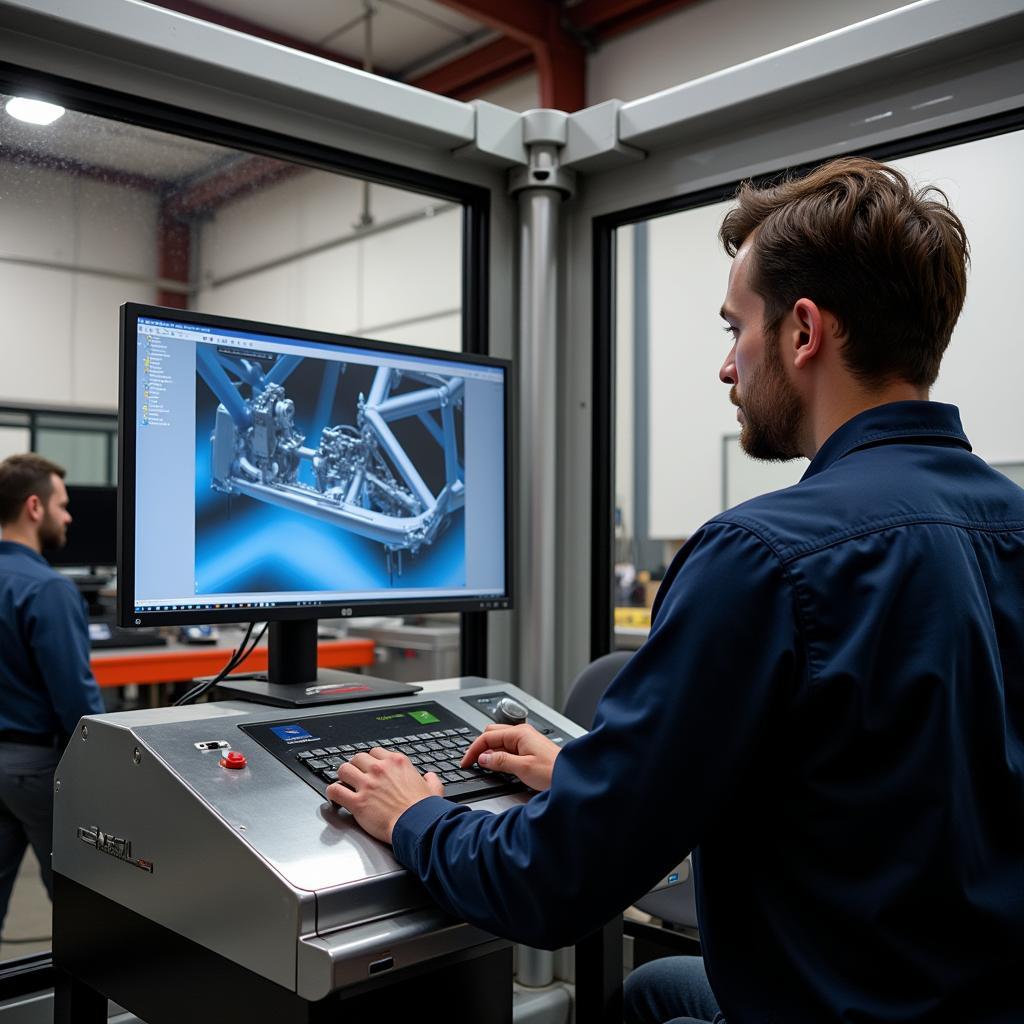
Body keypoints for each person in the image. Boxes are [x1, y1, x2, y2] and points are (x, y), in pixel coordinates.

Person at [324, 157, 1024, 1022]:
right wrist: (593, 776)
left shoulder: (762, 559)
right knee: (658, 991)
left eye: (738, 329)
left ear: (805, 333)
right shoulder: (1013, 526)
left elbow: (553, 889)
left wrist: (414, 815)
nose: (729, 368)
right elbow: (868, 790)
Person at [0, 454, 105, 934]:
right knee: (79, 895)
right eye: (63, 506)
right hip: (37, 769)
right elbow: (76, 701)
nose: (69, 517)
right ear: (35, 507)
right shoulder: (47, 589)